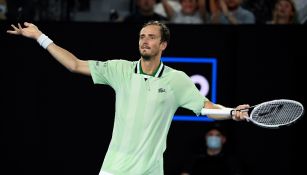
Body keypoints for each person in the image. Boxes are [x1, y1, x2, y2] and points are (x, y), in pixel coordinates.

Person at [7, 21, 249, 175]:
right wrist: (40, 37)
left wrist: (231, 112)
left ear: (163, 44)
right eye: (142, 36)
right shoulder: (119, 69)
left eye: (151, 37)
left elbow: (206, 108)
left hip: (150, 171)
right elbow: (74, 64)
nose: (145, 40)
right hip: (114, 169)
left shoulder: (177, 80)